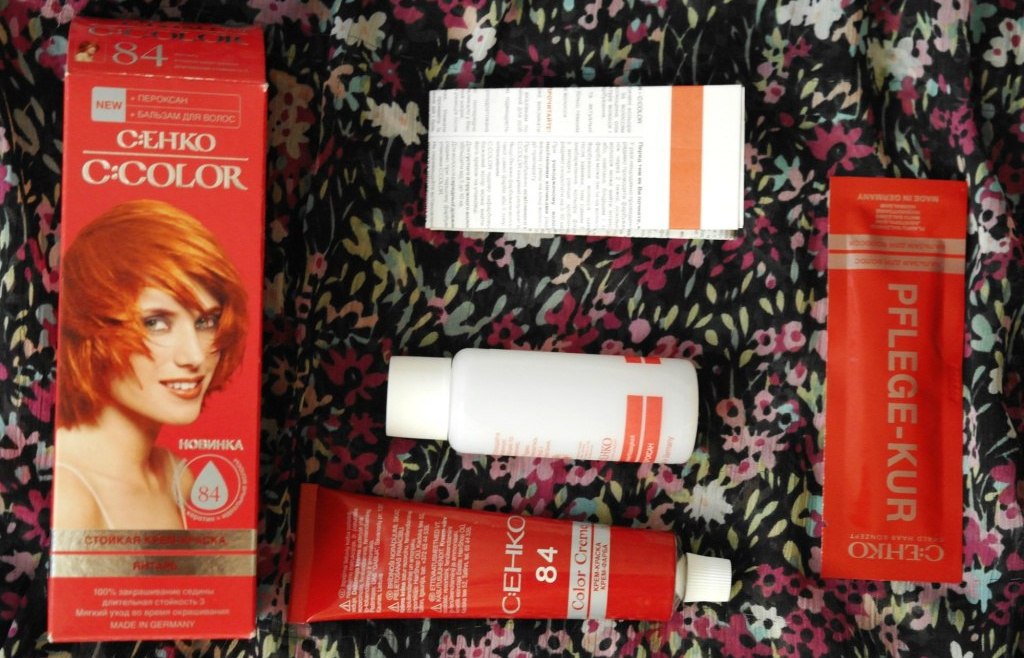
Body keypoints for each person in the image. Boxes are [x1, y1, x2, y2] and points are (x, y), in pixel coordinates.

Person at [53, 200, 248, 530]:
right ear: (88, 330)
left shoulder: (177, 476)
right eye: (155, 323)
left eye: (206, 322)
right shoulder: (69, 497)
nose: (194, 356)